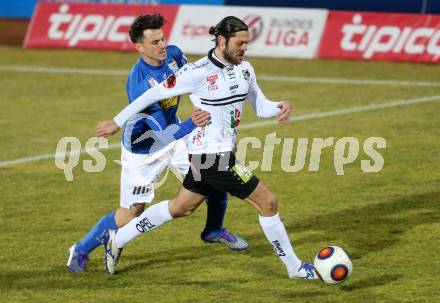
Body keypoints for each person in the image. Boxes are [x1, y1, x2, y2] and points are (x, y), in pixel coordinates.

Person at [96, 16, 317, 279]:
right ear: (222, 40)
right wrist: (117, 122)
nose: (244, 48)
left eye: (247, 43)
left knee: (180, 207)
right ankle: (295, 268)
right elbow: (152, 95)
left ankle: (117, 239)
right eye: (239, 43)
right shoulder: (197, 72)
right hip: (212, 158)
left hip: (215, 156)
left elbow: (260, 106)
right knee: (268, 202)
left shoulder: (246, 69)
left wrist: (278, 106)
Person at [67, 14, 248, 273]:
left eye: (163, 39)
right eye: (154, 42)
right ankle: (81, 250)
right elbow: (161, 135)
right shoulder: (140, 83)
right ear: (140, 47)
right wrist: (192, 124)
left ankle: (213, 230)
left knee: (212, 175)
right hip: (145, 147)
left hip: (176, 135)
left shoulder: (174, 54)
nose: (162, 45)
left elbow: (194, 83)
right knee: (132, 213)